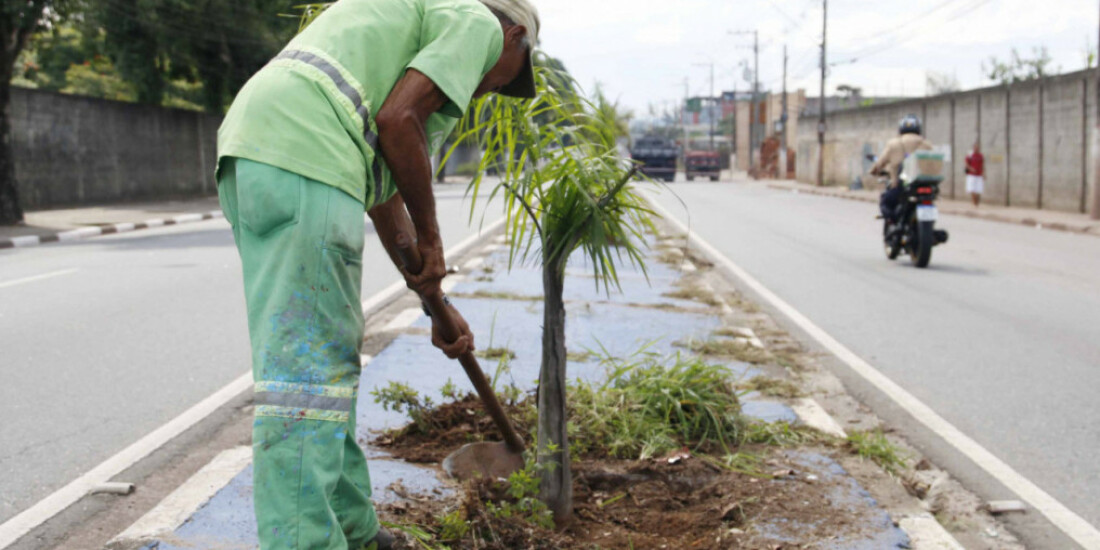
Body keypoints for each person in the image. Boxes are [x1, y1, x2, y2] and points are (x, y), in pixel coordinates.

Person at [213, 0, 540, 548]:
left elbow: (385, 202)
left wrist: (436, 302)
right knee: (308, 379)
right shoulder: (478, 21)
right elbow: (398, 121)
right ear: (515, 37)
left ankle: (355, 533)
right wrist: (435, 238)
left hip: (258, 152)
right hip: (306, 154)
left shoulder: (401, 29)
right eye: (509, 78)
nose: (488, 90)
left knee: (323, 367)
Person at [870, 114, 933, 226]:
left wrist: (874, 171)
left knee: (885, 202)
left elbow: (880, 162)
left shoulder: (893, 144)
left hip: (901, 185)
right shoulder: (926, 144)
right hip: (925, 185)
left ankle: (894, 223)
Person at [965, 142, 985, 207]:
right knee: (972, 189)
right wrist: (971, 169)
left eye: (978, 148)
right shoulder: (970, 155)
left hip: (979, 175)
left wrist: (984, 173)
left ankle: (977, 202)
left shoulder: (981, 156)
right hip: (972, 175)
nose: (976, 149)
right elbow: (966, 164)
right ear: (973, 148)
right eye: (975, 147)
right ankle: (974, 202)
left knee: (979, 190)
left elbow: (983, 165)